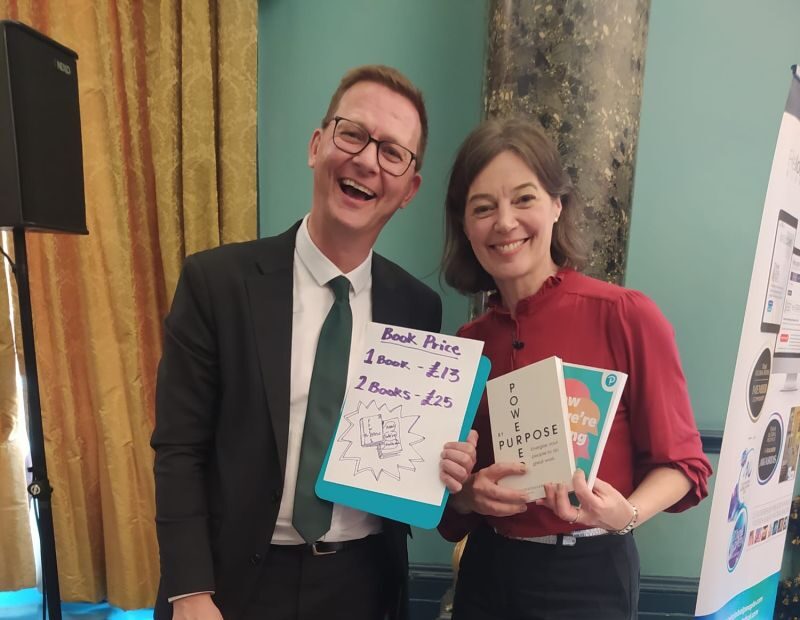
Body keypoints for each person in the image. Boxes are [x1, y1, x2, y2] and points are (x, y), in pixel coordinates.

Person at [151, 65, 477, 620]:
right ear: (317, 144)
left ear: (408, 190)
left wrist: (444, 461)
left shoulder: (417, 308)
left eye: (393, 152)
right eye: (353, 134)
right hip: (231, 588)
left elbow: (399, 450)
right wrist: (190, 591)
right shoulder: (218, 283)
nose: (368, 160)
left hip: (364, 585)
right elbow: (179, 449)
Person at [437, 118, 712, 620]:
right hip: (487, 570)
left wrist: (624, 515)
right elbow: (449, 502)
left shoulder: (625, 315)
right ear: (465, 226)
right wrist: (468, 496)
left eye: (524, 198)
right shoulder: (468, 344)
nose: (504, 222)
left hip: (589, 573)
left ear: (557, 205)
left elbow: (685, 466)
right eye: (483, 208)